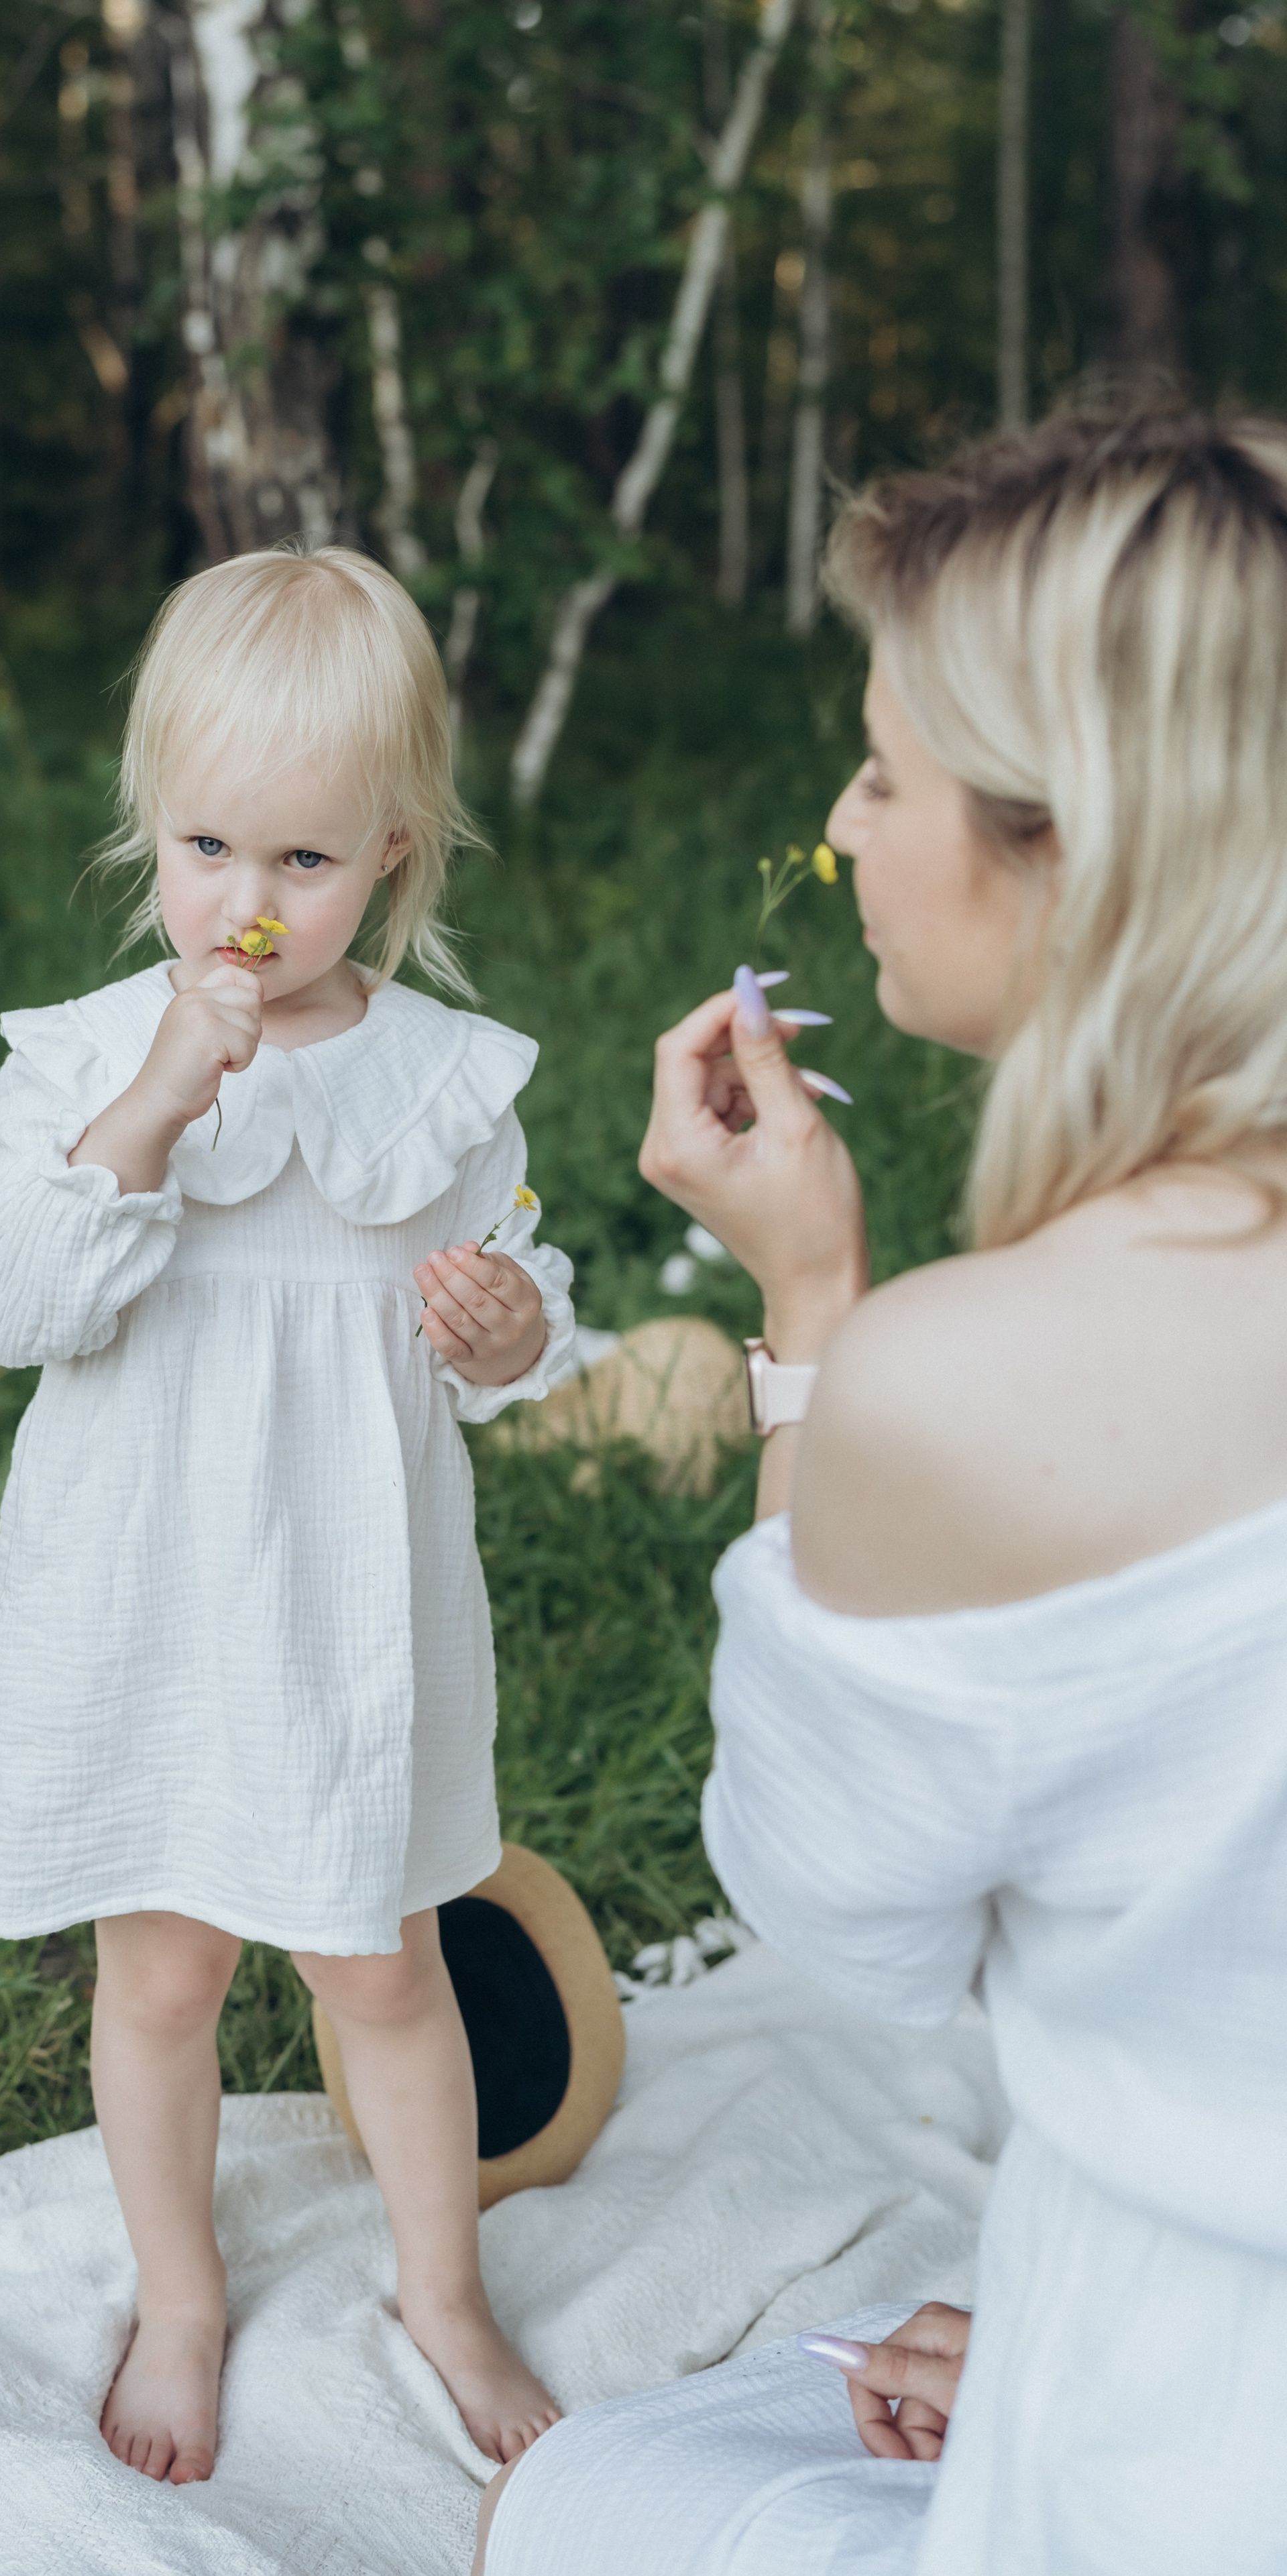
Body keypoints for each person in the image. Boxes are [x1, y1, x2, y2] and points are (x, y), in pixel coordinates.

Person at [476, 411, 1287, 2575]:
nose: (838, 832)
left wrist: (817, 1303)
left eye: (880, 773)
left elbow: (839, 1916)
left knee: (572, 2505)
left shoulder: (972, 1379)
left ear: (1066, 846)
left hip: (1195, 2445)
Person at [0, 547, 575, 2483]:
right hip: (149, 1602)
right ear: (157, 824)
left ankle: (441, 2286)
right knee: (162, 1971)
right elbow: (6, 1305)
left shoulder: (442, 1086)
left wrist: (509, 1328)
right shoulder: (80, 1062)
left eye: (304, 862)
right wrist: (143, 1112)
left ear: (391, 851)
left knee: (383, 1963)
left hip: (343, 1617)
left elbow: (507, 1319)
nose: (249, 905)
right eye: (213, 847)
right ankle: (185, 2290)